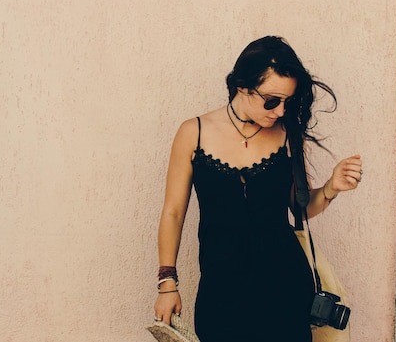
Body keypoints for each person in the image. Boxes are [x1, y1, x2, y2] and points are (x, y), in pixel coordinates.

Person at [153, 36, 363, 342]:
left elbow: (300, 206)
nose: (279, 111)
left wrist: (331, 187)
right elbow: (172, 213)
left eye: (287, 102)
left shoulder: (287, 134)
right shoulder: (193, 133)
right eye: (271, 100)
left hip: (285, 288)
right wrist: (167, 283)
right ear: (242, 85)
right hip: (220, 289)